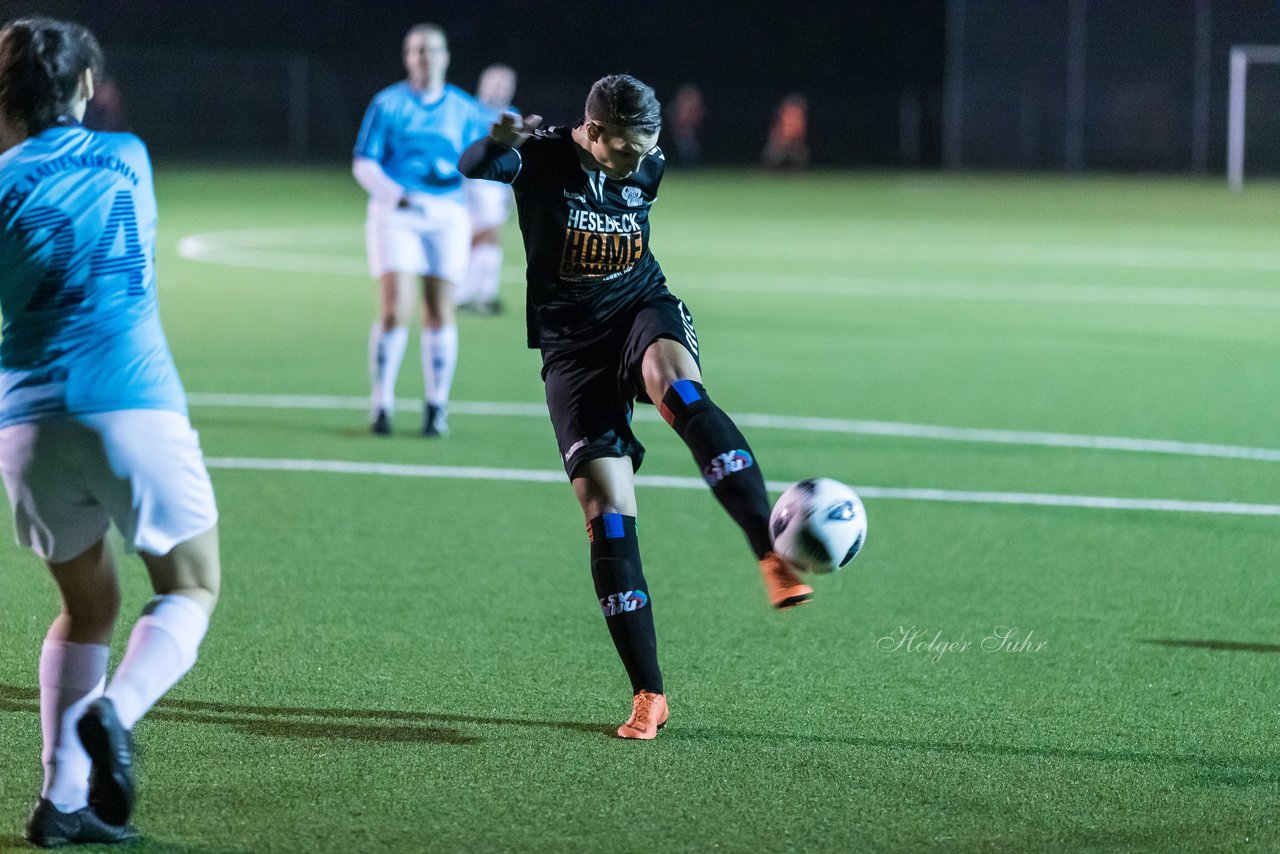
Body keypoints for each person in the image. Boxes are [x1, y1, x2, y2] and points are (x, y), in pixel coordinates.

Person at [460, 74, 813, 741]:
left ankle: (769, 549)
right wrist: (494, 139)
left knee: (677, 390)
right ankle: (650, 692)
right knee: (608, 516)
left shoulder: (648, 160)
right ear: (593, 133)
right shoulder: (539, 153)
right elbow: (476, 166)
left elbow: (639, 170)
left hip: (640, 309)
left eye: (647, 149)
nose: (638, 161)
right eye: (625, 149)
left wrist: (640, 152)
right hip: (571, 350)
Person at [0, 18, 221, 847]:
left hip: (26, 422)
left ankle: (61, 804)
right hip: (133, 404)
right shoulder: (129, 155)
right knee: (191, 586)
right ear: (85, 88)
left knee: (86, 607)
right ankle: (113, 716)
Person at [353, 23, 491, 437]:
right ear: (407, 57)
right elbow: (364, 161)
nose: (425, 57)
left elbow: (479, 164)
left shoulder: (465, 108)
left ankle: (436, 407)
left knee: (440, 310)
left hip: (447, 215)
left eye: (433, 50)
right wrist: (395, 196)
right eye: (417, 51)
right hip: (396, 213)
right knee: (396, 309)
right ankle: (382, 403)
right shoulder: (388, 103)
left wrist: (505, 146)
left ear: (446, 56)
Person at [458, 63, 517, 315]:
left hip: (498, 184)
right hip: (475, 182)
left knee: (491, 237)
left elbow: (515, 154)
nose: (500, 89)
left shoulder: (511, 115)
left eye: (505, 84)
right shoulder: (470, 111)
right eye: (495, 83)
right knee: (476, 237)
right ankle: (467, 294)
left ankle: (484, 293)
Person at [761, 92, 809, 169]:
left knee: (802, 154)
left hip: (794, 145)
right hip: (780, 144)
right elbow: (775, 131)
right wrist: (779, 142)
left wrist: (795, 143)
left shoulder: (800, 119)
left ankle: (797, 174)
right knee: (771, 153)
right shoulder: (783, 116)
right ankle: (765, 171)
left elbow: (800, 134)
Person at [665, 84, 704, 168]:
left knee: (689, 147)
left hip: (688, 128)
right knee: (685, 147)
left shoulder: (692, 103)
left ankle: (689, 164)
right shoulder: (681, 103)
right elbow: (670, 111)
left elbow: (697, 115)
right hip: (680, 128)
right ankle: (685, 164)